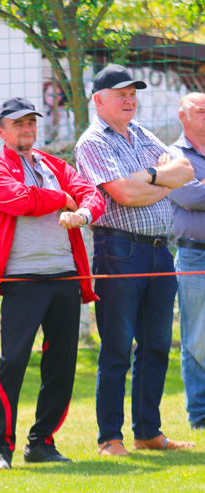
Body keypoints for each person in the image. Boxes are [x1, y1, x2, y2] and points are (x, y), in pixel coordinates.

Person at [75, 64, 195, 456]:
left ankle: (148, 432)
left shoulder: (141, 133)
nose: (130, 99)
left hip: (161, 250)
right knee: (117, 347)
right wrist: (160, 179)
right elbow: (123, 194)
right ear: (99, 100)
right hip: (119, 250)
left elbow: (186, 169)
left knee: (157, 345)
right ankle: (110, 437)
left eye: (133, 93)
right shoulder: (92, 142)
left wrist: (145, 178)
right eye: (121, 93)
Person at [0, 98, 104, 471]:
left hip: (65, 276)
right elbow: (20, 201)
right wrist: (62, 198)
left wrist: (81, 211)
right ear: (1, 131)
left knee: (62, 362)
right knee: (13, 362)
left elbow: (92, 194)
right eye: (18, 124)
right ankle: (1, 448)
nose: (27, 129)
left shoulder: (55, 164)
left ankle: (42, 442)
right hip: (21, 279)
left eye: (31, 122)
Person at [169, 92, 205, 429]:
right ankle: (200, 414)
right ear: (183, 116)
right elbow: (191, 196)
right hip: (195, 255)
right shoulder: (172, 156)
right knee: (197, 337)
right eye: (201, 111)